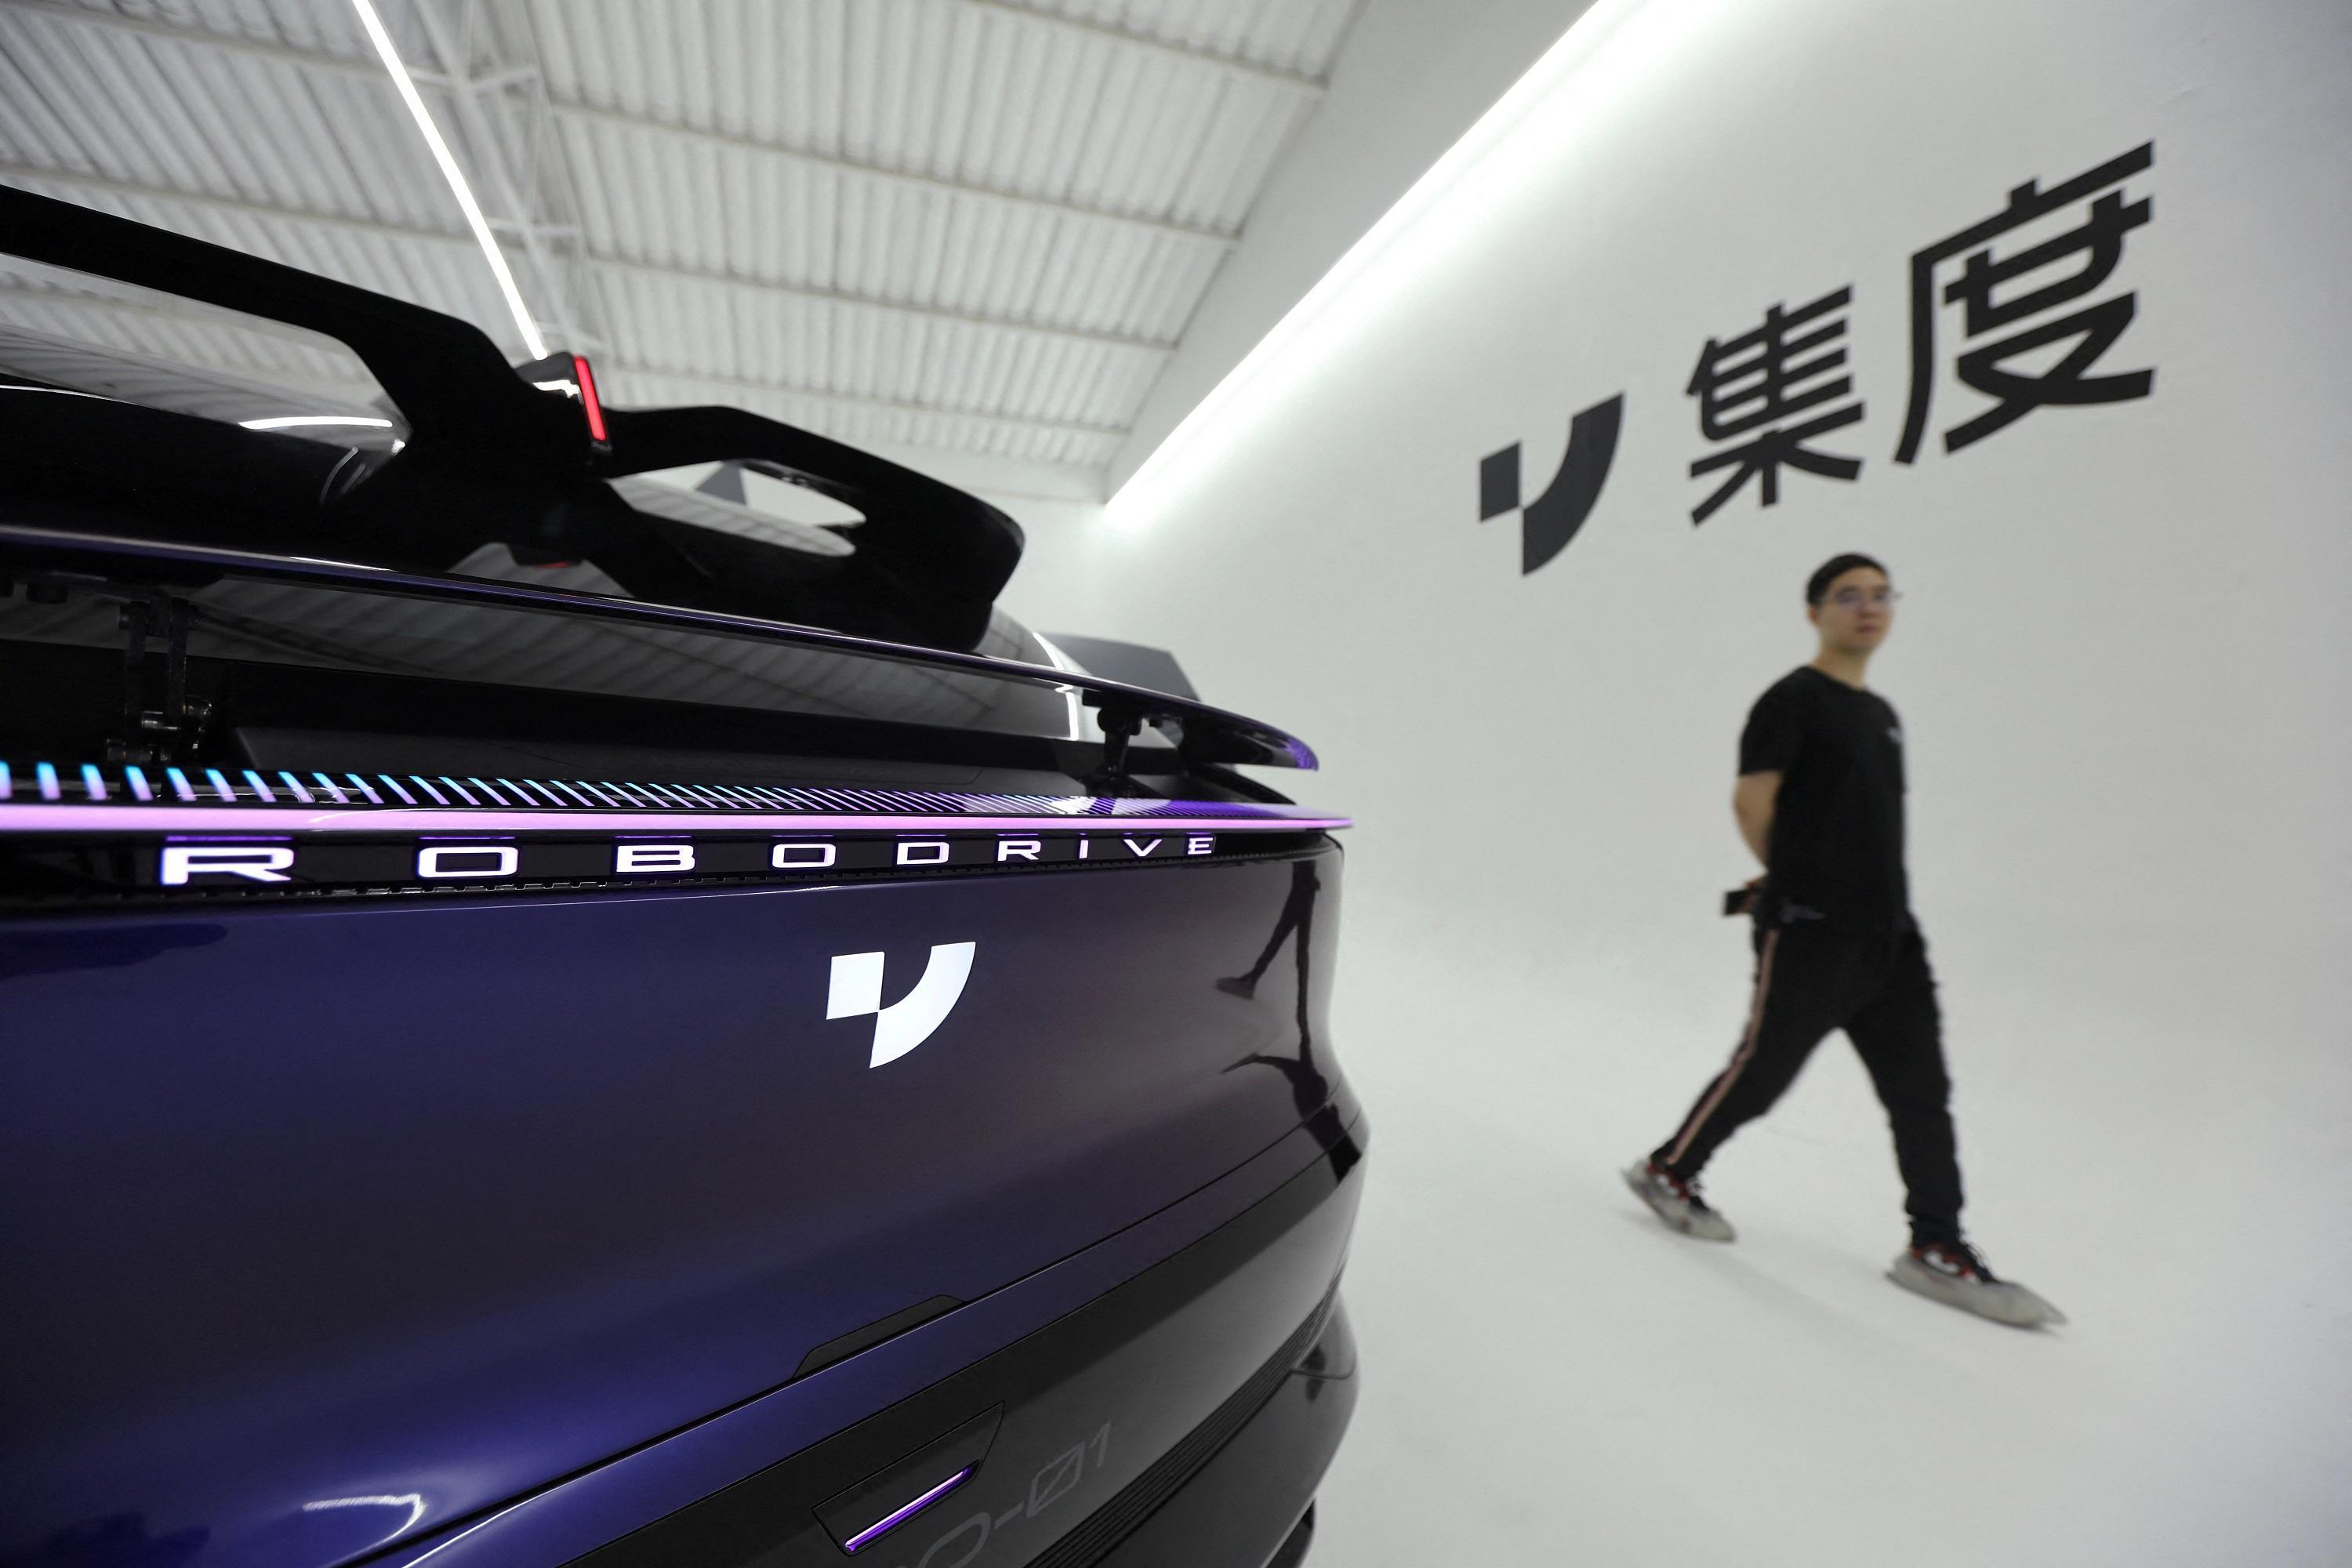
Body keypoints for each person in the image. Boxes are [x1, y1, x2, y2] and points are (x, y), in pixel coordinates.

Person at [1623, 554, 2063, 1327]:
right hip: (1812, 930)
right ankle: (1669, 1170)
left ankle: (1936, 1245)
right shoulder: (1792, 700)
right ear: (1814, 612)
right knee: (1764, 1070)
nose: (1869, 607)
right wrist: (1798, 883)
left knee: (1922, 1094)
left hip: (1891, 938)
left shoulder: (1881, 713)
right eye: (1849, 595)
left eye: (1881, 595)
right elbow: (1752, 802)